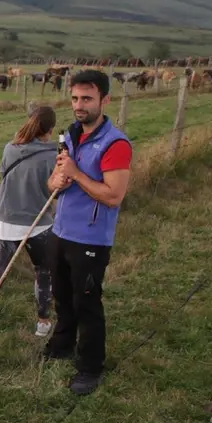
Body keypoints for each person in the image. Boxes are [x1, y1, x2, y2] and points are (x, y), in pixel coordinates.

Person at [45, 69, 133, 396]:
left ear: (105, 100)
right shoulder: (70, 136)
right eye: (74, 98)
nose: (79, 105)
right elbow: (53, 183)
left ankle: (90, 367)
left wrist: (77, 174)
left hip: (91, 237)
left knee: (87, 303)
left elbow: (113, 196)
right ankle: (62, 344)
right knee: (62, 296)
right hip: (61, 230)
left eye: (87, 98)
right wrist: (57, 180)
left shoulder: (116, 144)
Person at [0, 105, 59, 342]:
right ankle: (43, 323)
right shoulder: (54, 157)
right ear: (51, 129)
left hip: (2, 224)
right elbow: (56, 191)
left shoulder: (10, 148)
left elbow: (7, 178)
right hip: (37, 226)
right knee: (44, 272)